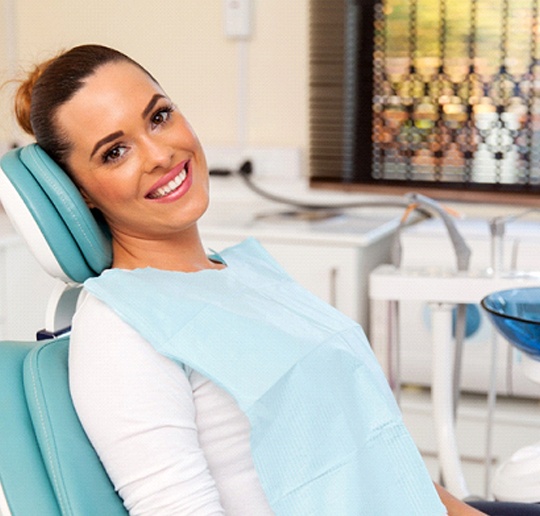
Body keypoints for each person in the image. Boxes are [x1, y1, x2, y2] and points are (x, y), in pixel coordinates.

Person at [11, 44, 539, 515]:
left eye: (160, 116)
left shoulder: (245, 271)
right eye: (115, 151)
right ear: (77, 194)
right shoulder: (119, 329)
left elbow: (380, 456)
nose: (160, 154)